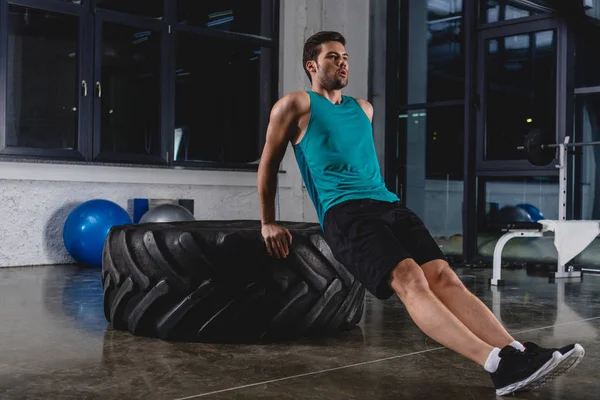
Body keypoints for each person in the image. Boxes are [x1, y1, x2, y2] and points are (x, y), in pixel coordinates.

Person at [257, 30, 584, 396]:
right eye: (333, 56)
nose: (343, 62)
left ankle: (517, 352)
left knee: (444, 276)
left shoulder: (362, 108)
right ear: (312, 65)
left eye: (345, 56)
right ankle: (496, 365)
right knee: (410, 278)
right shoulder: (295, 105)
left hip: (388, 205)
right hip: (345, 214)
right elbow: (268, 165)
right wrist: (268, 220)